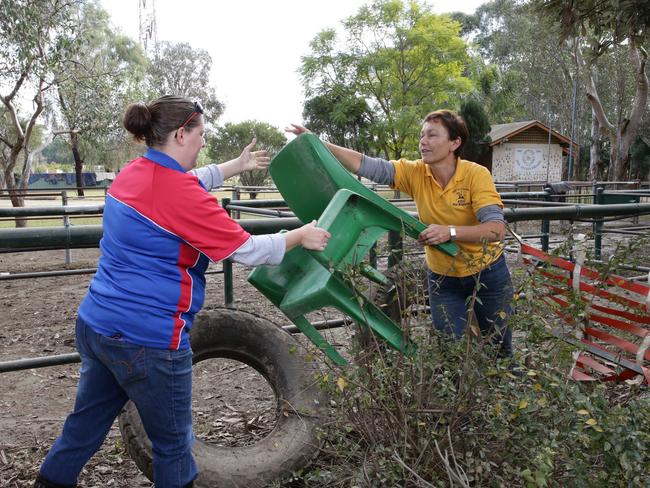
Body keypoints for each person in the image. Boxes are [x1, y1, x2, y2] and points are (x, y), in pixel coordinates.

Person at [34, 95, 330, 488]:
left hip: (98, 325)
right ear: (179, 133)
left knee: (82, 429)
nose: (203, 142)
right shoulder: (181, 196)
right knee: (173, 448)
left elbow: (190, 179)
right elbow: (248, 250)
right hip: (149, 340)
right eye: (200, 134)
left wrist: (236, 166)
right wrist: (300, 235)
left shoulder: (132, 174)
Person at [286, 109, 513, 358]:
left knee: (499, 349)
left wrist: (450, 232)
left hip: (487, 272)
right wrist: (318, 143)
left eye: (432, 135)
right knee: (450, 351)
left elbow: (496, 230)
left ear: (454, 143)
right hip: (443, 278)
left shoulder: (476, 175)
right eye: (421, 135)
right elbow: (365, 164)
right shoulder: (415, 172)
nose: (423, 142)